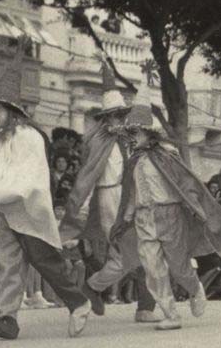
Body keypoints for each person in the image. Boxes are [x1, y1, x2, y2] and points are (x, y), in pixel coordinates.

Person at [108, 92, 221, 329]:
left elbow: (185, 182)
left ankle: (195, 288)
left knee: (179, 266)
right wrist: (126, 217)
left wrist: (195, 206)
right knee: (152, 268)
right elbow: (131, 192)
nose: (132, 138)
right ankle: (171, 314)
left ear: (149, 133)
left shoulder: (167, 155)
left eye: (136, 132)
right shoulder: (133, 162)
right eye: (129, 133)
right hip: (143, 217)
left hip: (169, 215)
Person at [0, 88, 94, 341]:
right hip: (8, 209)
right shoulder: (3, 139)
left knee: (43, 259)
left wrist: (2, 194)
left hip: (28, 209)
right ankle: (8, 318)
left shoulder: (28, 137)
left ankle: (79, 302)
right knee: (9, 262)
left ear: (11, 111)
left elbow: (31, 176)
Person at [67, 66, 161, 324]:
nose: (118, 121)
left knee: (142, 251)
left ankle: (143, 306)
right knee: (129, 252)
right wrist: (82, 209)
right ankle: (93, 289)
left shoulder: (128, 142)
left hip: (130, 199)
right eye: (113, 116)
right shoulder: (97, 144)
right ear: (105, 119)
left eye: (121, 115)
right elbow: (88, 178)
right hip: (109, 200)